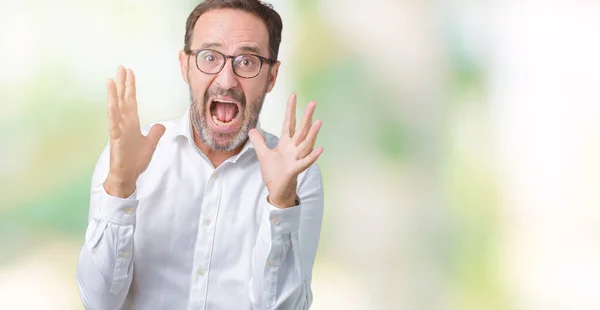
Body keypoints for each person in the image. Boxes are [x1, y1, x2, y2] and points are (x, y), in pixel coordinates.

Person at [76, 1, 324, 309]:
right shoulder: (127, 156)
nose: (226, 80)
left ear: (271, 76)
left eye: (247, 62)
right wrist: (119, 187)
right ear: (185, 66)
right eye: (209, 57)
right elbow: (98, 303)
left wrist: (281, 204)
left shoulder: (298, 176)